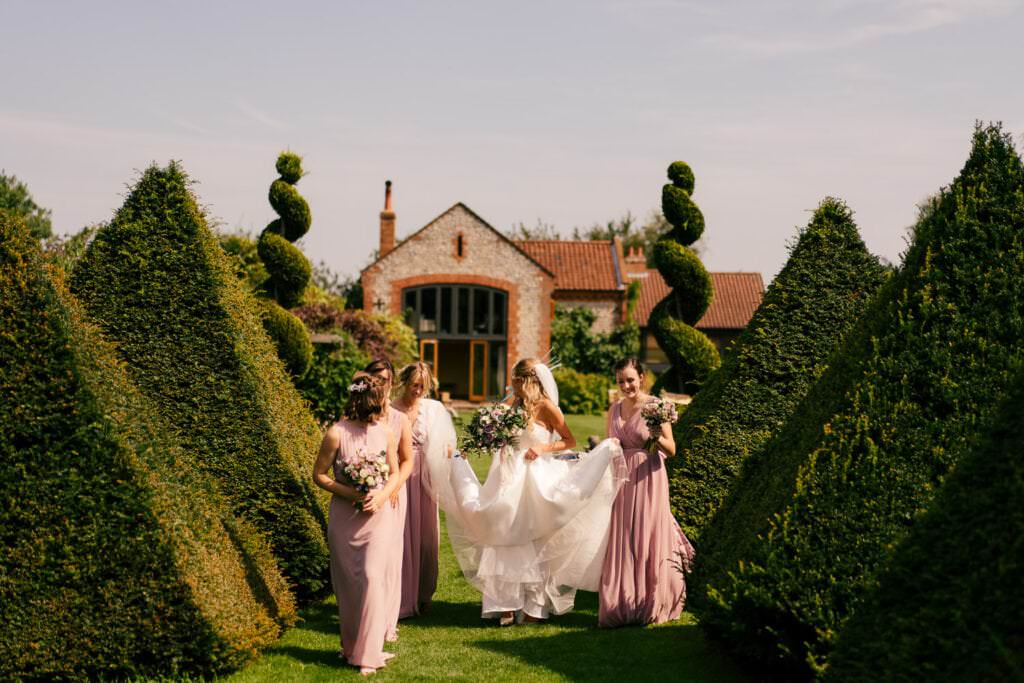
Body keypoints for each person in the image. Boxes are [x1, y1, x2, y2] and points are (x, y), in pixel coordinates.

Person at [427, 358, 625, 625]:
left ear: (524, 380)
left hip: (534, 476)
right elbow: (503, 436)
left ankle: (534, 608)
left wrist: (542, 448)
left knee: (534, 541)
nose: (511, 384)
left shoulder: (546, 407)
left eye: (514, 379)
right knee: (502, 535)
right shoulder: (515, 405)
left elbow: (569, 440)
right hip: (507, 475)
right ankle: (505, 605)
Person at [313, 373, 403, 676]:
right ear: (365, 402)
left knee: (371, 577)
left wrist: (381, 496)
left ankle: (369, 654)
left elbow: (394, 472)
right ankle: (351, 647)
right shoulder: (337, 433)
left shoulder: (387, 432)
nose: (382, 407)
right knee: (349, 586)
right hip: (344, 518)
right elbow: (320, 475)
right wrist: (350, 492)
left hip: (378, 517)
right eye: (378, 402)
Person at [598, 358, 695, 628]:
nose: (626, 385)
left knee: (646, 534)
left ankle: (650, 601)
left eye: (630, 379)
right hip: (621, 478)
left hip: (648, 476)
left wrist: (655, 435)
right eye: (620, 381)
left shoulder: (655, 406)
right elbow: (609, 444)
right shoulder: (614, 408)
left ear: (641, 377)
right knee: (623, 538)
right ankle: (622, 601)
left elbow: (671, 449)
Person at [393, 362, 457, 618]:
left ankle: (423, 594)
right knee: (398, 535)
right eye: (413, 385)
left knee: (427, 538)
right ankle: (398, 593)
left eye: (422, 386)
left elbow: (448, 443)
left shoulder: (434, 409)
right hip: (397, 473)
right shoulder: (390, 408)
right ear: (404, 383)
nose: (418, 390)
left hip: (424, 478)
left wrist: (445, 451)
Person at [363, 359, 414, 641]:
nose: (382, 384)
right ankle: (366, 615)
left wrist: (394, 486)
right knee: (368, 558)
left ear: (392, 383)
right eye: (376, 378)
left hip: (393, 494)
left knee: (390, 558)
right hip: (364, 494)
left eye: (386, 379)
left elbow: (408, 461)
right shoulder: (357, 413)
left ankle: (387, 623)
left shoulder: (400, 419)